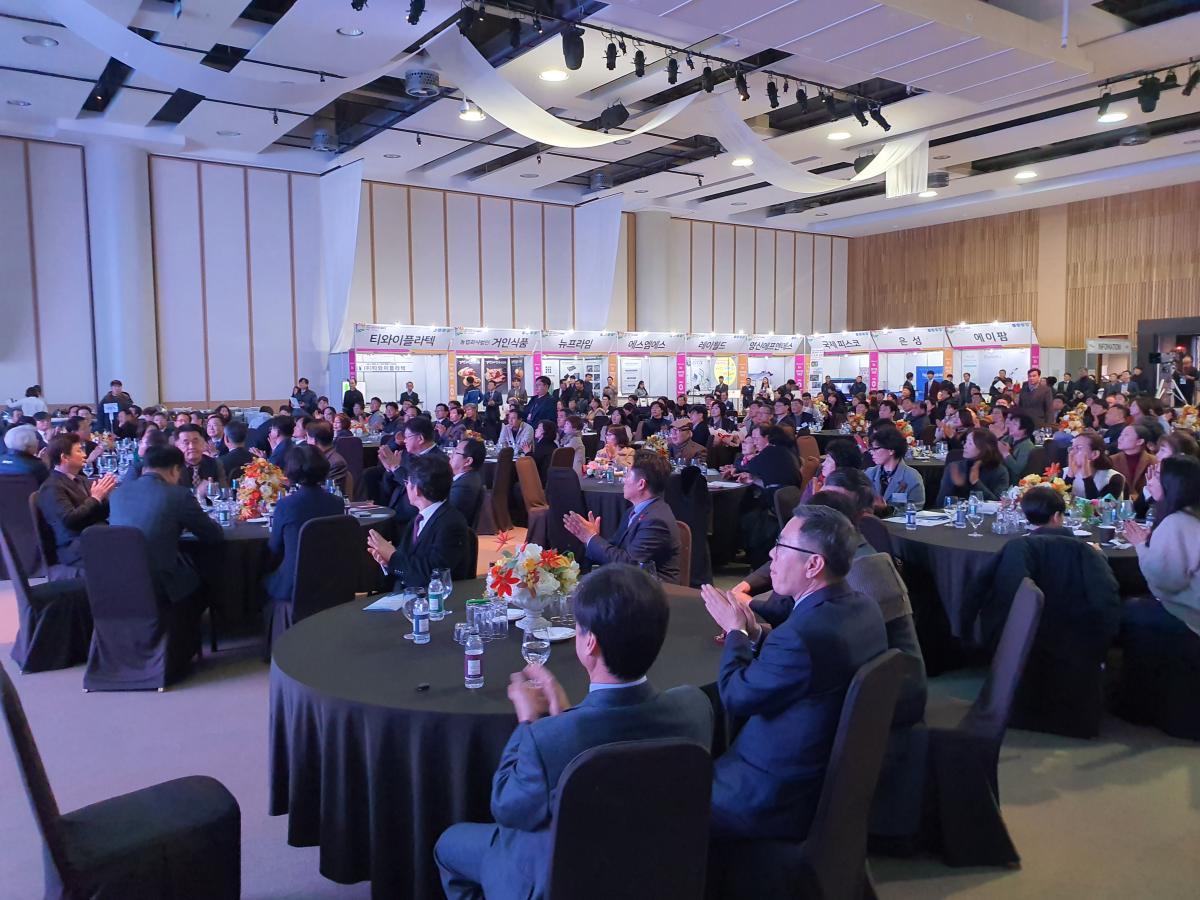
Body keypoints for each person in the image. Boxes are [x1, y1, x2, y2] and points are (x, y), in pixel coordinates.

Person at [435, 564, 712, 900]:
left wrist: (528, 722)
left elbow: (508, 809)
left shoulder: (547, 739)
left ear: (590, 642)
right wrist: (564, 716)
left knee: (449, 844)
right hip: (661, 869)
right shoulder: (695, 708)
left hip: (562, 877)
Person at [701, 505, 886, 839]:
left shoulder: (801, 636)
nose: (771, 554)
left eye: (781, 545)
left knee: (663, 785)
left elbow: (735, 696)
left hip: (770, 790)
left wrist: (735, 632)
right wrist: (755, 633)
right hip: (820, 771)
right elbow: (810, 663)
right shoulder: (864, 607)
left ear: (813, 565)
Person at [108, 444, 223, 604]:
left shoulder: (117, 493)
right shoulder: (178, 495)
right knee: (211, 577)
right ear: (175, 470)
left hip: (118, 579)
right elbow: (213, 535)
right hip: (161, 585)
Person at [563, 450, 682, 584]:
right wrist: (593, 538)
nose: (624, 480)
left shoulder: (656, 520)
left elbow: (629, 565)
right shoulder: (634, 511)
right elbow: (617, 551)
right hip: (630, 582)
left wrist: (591, 538)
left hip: (654, 588)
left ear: (641, 484)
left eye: (628, 475)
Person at [1123, 455, 1200, 635]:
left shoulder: (1176, 522)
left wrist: (1141, 545)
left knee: (1124, 608)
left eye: (1156, 475)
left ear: (1172, 484)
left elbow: (1165, 581)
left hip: (1191, 617)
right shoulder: (1191, 513)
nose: (1150, 481)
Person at [367, 454, 470, 589]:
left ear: (416, 490)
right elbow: (407, 562)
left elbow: (433, 574)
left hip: (436, 598)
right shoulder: (418, 519)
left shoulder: (451, 524)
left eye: (407, 482)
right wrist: (388, 563)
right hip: (408, 593)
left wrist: (392, 556)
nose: (406, 486)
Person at [260, 444, 345, 606]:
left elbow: (274, 549)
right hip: (331, 579)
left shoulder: (286, 505)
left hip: (293, 583)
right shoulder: (337, 502)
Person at [37, 433, 117, 575]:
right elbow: (70, 521)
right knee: (124, 555)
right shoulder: (52, 487)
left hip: (95, 536)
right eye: (79, 451)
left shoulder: (81, 480)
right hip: (74, 547)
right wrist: (95, 498)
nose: (85, 455)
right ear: (64, 457)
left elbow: (99, 514)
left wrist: (105, 497)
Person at [936, 427, 1010, 505]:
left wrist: (976, 482)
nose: (965, 446)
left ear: (983, 448)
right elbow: (940, 503)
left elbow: (999, 504)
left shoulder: (1000, 471)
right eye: (966, 442)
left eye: (970, 443)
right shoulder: (956, 467)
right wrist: (954, 485)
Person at [865, 425, 925, 509]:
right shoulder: (869, 474)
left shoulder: (912, 477)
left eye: (875, 449)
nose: (871, 452)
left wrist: (888, 510)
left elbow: (916, 508)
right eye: (871, 449)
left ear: (891, 450)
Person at [1065, 432, 1125, 499]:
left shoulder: (1113, 478)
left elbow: (1099, 504)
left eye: (1079, 448)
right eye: (1072, 448)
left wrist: (1087, 477)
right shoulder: (1064, 472)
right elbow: (1060, 502)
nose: (1072, 452)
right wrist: (1070, 476)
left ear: (1095, 454)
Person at [174, 425, 225, 494]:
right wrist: (197, 492)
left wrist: (214, 489)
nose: (191, 446)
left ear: (204, 443)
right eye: (186, 443)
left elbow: (224, 491)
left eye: (195, 442)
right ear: (177, 446)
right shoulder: (171, 467)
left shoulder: (215, 464)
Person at [304, 419, 349, 495]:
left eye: (307, 437)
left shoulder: (336, 463)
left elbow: (329, 492)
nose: (306, 441)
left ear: (314, 441)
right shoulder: (316, 457)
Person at [1112, 424, 1156, 498]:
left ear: (1140, 441)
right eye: (1121, 435)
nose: (1120, 438)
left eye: (1126, 435)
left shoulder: (1154, 461)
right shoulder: (1112, 460)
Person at [448, 437, 485, 526]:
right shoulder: (469, 478)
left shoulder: (463, 486)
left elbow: (447, 516)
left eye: (456, 452)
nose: (450, 455)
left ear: (468, 461)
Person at [999, 412, 1037, 481]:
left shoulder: (1027, 446)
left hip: (1014, 481)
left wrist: (1006, 453)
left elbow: (1018, 470)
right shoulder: (1008, 438)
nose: (1010, 426)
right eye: (1011, 423)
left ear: (1024, 429)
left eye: (1015, 424)